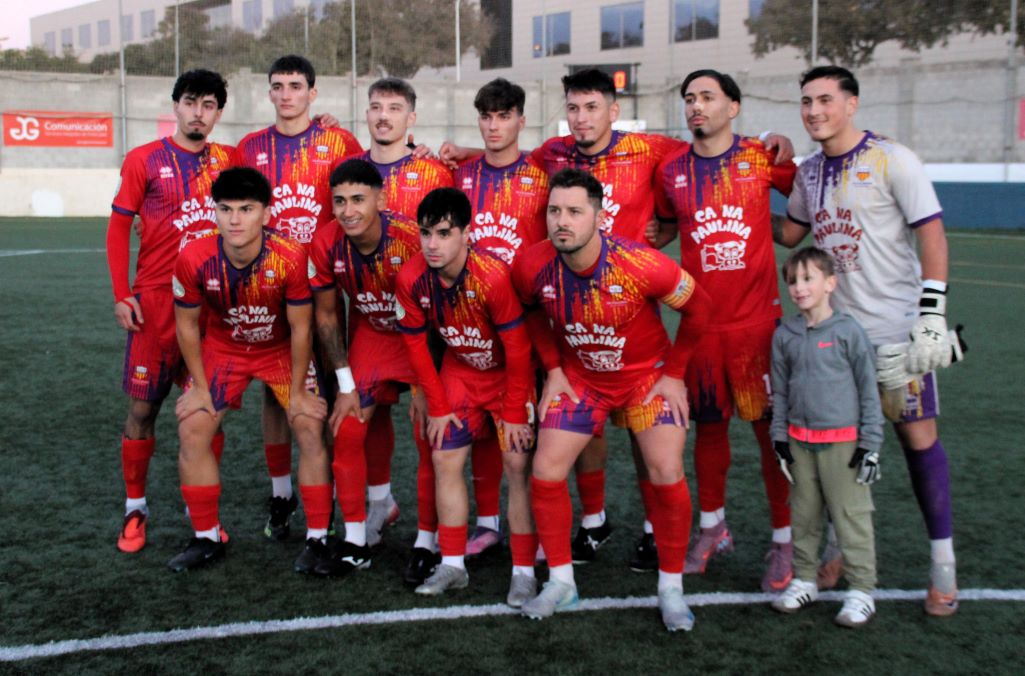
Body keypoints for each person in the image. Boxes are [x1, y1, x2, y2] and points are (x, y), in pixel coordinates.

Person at [446, 69, 794, 565]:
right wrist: (466, 152)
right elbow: (507, 154)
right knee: (583, 424)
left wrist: (770, 138)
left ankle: (657, 529)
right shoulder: (553, 154)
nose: (581, 118)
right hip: (572, 311)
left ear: (613, 110)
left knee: (643, 425)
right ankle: (594, 521)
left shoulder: (652, 150)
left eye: (592, 107)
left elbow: (710, 149)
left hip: (635, 312)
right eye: (573, 108)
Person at [777, 65, 960, 616]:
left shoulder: (892, 159)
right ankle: (837, 553)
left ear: (851, 103)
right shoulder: (809, 173)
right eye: (806, 102)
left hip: (896, 333)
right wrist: (746, 184)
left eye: (825, 100)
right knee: (836, 451)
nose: (814, 111)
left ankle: (943, 567)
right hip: (837, 340)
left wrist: (931, 316)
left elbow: (932, 234)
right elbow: (790, 232)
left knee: (918, 443)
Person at [512, 169, 711, 631]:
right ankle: (561, 583)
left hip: (646, 379)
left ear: (600, 218)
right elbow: (529, 309)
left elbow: (699, 308)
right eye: (554, 211)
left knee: (666, 471)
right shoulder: (532, 264)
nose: (562, 221)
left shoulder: (642, 264)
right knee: (545, 469)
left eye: (574, 212)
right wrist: (554, 370)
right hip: (582, 380)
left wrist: (675, 375)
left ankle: (671, 589)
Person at [650, 70, 797, 590]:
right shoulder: (672, 170)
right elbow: (666, 226)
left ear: (733, 107)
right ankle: (713, 528)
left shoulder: (761, 155)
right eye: (690, 98)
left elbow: (803, 198)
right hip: (702, 327)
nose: (696, 106)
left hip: (758, 327)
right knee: (708, 431)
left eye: (708, 97)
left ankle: (785, 540)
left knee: (771, 435)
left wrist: (784, 143)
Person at [168, 167, 331, 572]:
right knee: (192, 426)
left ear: (266, 213)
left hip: (279, 349)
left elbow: (301, 328)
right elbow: (187, 326)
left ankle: (317, 538)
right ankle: (206, 537)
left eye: (246, 209)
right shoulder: (194, 256)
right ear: (215, 212)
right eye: (225, 209)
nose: (235, 220)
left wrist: (298, 392)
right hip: (225, 349)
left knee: (309, 424)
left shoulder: (290, 255)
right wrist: (199, 387)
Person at [233, 54, 362, 542]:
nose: (286, 94)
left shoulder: (339, 142)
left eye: (295, 85)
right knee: (275, 391)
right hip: (268, 288)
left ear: (313, 92)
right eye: (278, 86)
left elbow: (370, 181)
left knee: (325, 390)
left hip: (323, 289)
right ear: (269, 92)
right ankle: (282, 492)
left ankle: (327, 490)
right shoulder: (250, 147)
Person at [107, 69, 233, 553]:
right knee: (143, 409)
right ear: (175, 106)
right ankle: (134, 508)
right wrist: (123, 293)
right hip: (157, 302)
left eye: (208, 105)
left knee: (207, 411)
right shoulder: (144, 159)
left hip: (213, 303)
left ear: (218, 112)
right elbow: (119, 227)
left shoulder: (231, 160)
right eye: (190, 102)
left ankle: (201, 511)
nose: (198, 113)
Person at [394, 187, 536, 604]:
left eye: (444, 233)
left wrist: (515, 411)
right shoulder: (411, 278)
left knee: (517, 464)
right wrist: (437, 406)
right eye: (426, 233)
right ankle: (453, 564)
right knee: (443, 457)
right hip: (460, 370)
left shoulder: (492, 276)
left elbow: (519, 350)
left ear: (466, 234)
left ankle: (524, 572)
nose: (432, 244)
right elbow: (416, 347)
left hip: (506, 376)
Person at [349, 77, 457, 555]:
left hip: (426, 327)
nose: (383, 115)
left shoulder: (434, 170)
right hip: (371, 323)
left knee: (426, 427)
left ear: (411, 118)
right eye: (376, 106)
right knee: (361, 419)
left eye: (394, 108)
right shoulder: (350, 171)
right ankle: (379, 504)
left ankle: (429, 537)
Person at [308, 159, 421, 578]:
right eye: (340, 201)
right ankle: (355, 541)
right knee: (349, 428)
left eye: (358, 199)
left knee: (431, 434)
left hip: (420, 339)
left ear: (382, 200)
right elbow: (326, 316)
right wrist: (345, 383)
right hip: (373, 334)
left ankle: (429, 542)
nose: (348, 210)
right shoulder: (326, 242)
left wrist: (426, 386)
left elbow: (438, 314)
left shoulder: (411, 239)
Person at [453, 78, 550, 558]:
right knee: (482, 433)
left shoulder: (543, 175)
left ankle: (538, 530)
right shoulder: (461, 176)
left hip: (529, 325)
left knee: (529, 436)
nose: (494, 126)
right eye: (486, 117)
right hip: (471, 324)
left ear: (521, 121)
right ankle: (488, 524)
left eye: (504, 117)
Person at [769, 247, 884, 628]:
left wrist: (870, 444)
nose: (799, 288)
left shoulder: (848, 332)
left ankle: (862, 589)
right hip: (799, 444)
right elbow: (780, 392)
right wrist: (779, 437)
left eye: (808, 279)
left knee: (851, 516)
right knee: (803, 516)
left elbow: (869, 390)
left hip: (844, 445)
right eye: (792, 281)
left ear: (830, 283)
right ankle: (804, 579)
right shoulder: (785, 335)